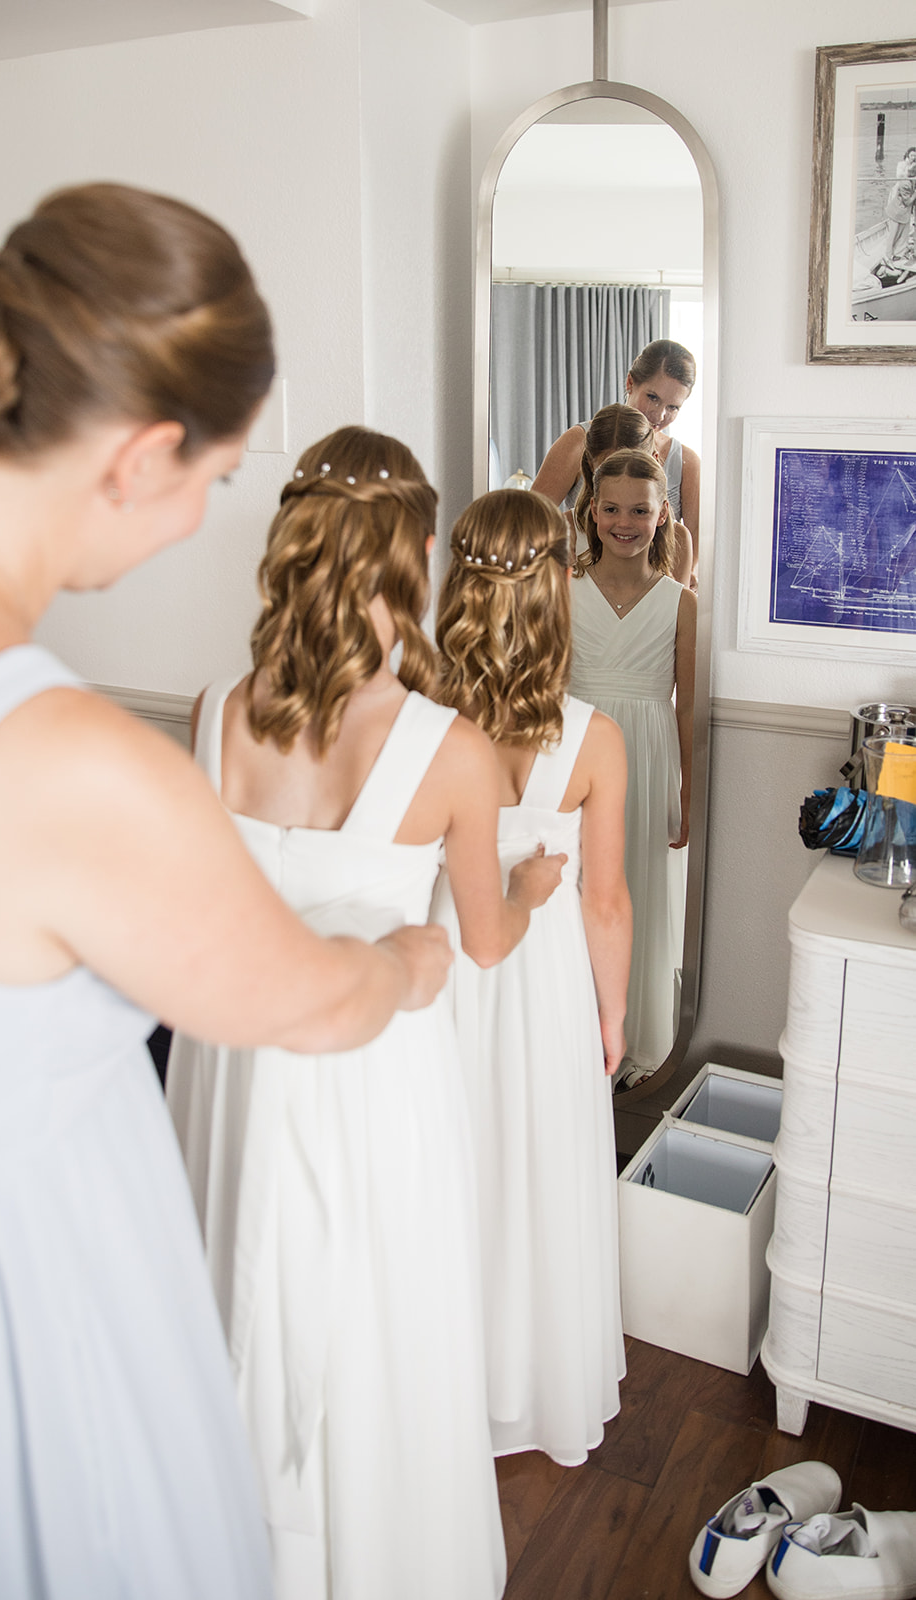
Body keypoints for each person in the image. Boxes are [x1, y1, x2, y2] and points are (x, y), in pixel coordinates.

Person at [0, 184, 454, 1600]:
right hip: (8, 1313)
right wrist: (410, 964)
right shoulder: (56, 757)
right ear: (142, 453)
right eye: (216, 479)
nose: (197, 525)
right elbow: (307, 1001)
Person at [165, 426, 564, 1600]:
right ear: (416, 555)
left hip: (234, 1054)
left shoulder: (214, 715)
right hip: (375, 1073)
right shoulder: (454, 751)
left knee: (241, 1281)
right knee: (377, 1312)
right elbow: (482, 944)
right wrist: (534, 888)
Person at [433, 487, 631, 1467]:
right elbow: (604, 901)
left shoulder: (421, 720)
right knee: (537, 1167)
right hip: (543, 977)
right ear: (559, 586)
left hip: (445, 966)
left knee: (448, 1169)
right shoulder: (593, 739)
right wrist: (613, 1013)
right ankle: (531, 1383)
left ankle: (440, 1380)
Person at [568, 450, 696, 1091]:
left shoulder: (680, 602)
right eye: (612, 508)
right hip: (571, 755)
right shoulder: (561, 590)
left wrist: (689, 796)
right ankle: (571, 1029)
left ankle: (633, 1038)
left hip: (645, 757)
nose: (625, 522)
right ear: (593, 513)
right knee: (577, 889)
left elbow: (687, 710)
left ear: (661, 514)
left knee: (635, 889)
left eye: (640, 510)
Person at [532, 338, 702, 578]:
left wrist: (676, 585)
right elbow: (530, 518)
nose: (660, 414)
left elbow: (694, 544)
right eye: (652, 397)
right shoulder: (578, 441)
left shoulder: (687, 462)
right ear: (630, 383)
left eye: (673, 407)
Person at [562, 402, 693, 586]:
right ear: (591, 464)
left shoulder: (679, 540)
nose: (624, 481)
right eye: (609, 468)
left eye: (636, 467)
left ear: (655, 461)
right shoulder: (564, 531)